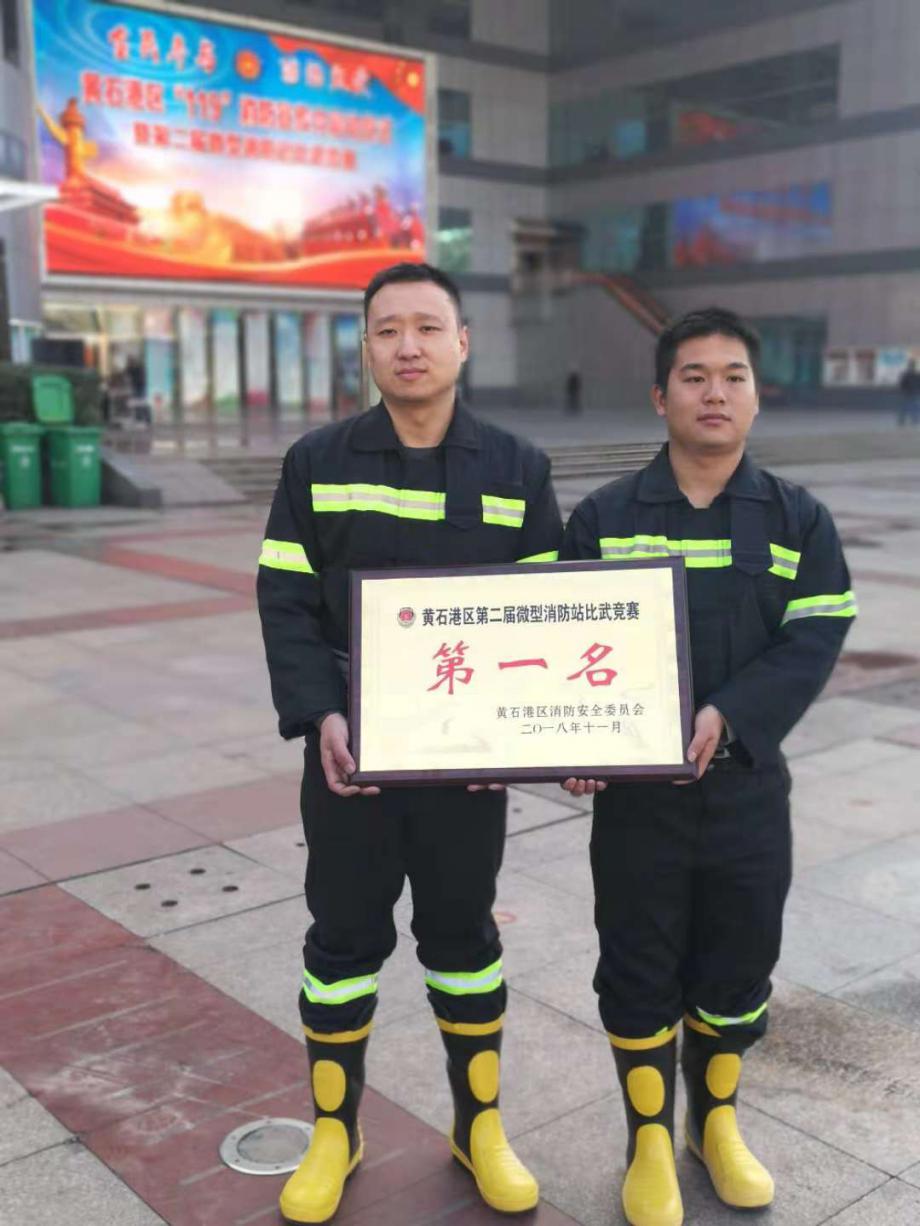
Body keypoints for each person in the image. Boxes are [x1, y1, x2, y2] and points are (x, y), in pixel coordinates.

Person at [257, 262, 562, 1224]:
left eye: (428, 327)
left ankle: (479, 1128)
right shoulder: (317, 461)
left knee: (464, 941)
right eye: (387, 329)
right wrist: (321, 715)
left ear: (463, 342)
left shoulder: (517, 468)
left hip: (467, 767)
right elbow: (285, 601)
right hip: (352, 753)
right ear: (366, 347)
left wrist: (512, 739)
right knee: (342, 942)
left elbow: (544, 614)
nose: (409, 346)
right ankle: (333, 1134)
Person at [560, 307, 856, 1226]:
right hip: (637, 806)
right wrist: (577, 743)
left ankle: (713, 1124)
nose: (714, 393)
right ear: (661, 397)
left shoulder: (798, 520)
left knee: (738, 961)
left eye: (733, 376)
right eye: (694, 376)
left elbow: (815, 634)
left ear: (757, 397)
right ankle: (649, 1138)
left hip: (747, 793)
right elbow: (563, 643)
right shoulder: (605, 518)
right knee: (637, 965)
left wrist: (730, 715)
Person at [897, 358, 920, 426]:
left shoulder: (905, 374)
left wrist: (903, 390)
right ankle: (914, 420)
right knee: (914, 407)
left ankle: (901, 420)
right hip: (915, 392)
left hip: (907, 393)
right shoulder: (917, 374)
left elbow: (902, 384)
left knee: (904, 407)